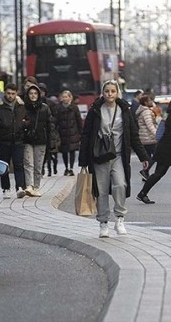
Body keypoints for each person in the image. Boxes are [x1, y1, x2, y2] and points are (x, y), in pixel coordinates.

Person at [78, 80, 150, 238]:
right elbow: (86, 135)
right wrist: (83, 160)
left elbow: (133, 135)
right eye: (107, 91)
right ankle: (103, 222)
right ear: (102, 93)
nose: (110, 94)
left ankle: (119, 218)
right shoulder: (95, 110)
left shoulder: (124, 110)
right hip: (99, 157)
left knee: (120, 184)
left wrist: (143, 155)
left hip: (118, 156)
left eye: (113, 91)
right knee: (101, 190)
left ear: (117, 93)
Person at [0, 84, 28, 198]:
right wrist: (1, 124)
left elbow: (28, 119)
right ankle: (6, 188)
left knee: (19, 164)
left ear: (16, 93)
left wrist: (23, 124)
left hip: (18, 140)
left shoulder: (21, 106)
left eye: (13, 93)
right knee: (4, 165)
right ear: (5, 93)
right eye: (8, 93)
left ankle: (20, 187)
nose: (10, 96)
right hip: (3, 140)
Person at [22, 85, 54, 197]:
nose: (33, 95)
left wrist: (52, 141)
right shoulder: (24, 107)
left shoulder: (44, 108)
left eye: (35, 93)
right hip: (27, 139)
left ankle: (36, 187)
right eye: (31, 93)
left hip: (41, 140)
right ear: (27, 95)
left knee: (38, 165)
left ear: (39, 95)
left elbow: (50, 124)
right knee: (28, 163)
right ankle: (29, 186)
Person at [56, 90, 83, 176]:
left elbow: (79, 120)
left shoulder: (74, 108)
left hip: (72, 132)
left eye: (66, 97)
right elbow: (56, 121)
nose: (64, 98)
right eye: (63, 97)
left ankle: (71, 168)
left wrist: (81, 132)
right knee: (64, 151)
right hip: (62, 133)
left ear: (70, 97)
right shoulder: (59, 108)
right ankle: (66, 167)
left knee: (72, 151)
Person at [136, 95, 158, 181]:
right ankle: (145, 171)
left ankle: (145, 175)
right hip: (149, 138)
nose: (151, 102)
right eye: (149, 100)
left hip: (144, 137)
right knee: (157, 155)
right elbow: (150, 125)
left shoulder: (142, 111)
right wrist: (157, 134)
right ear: (145, 103)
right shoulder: (146, 112)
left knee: (147, 157)